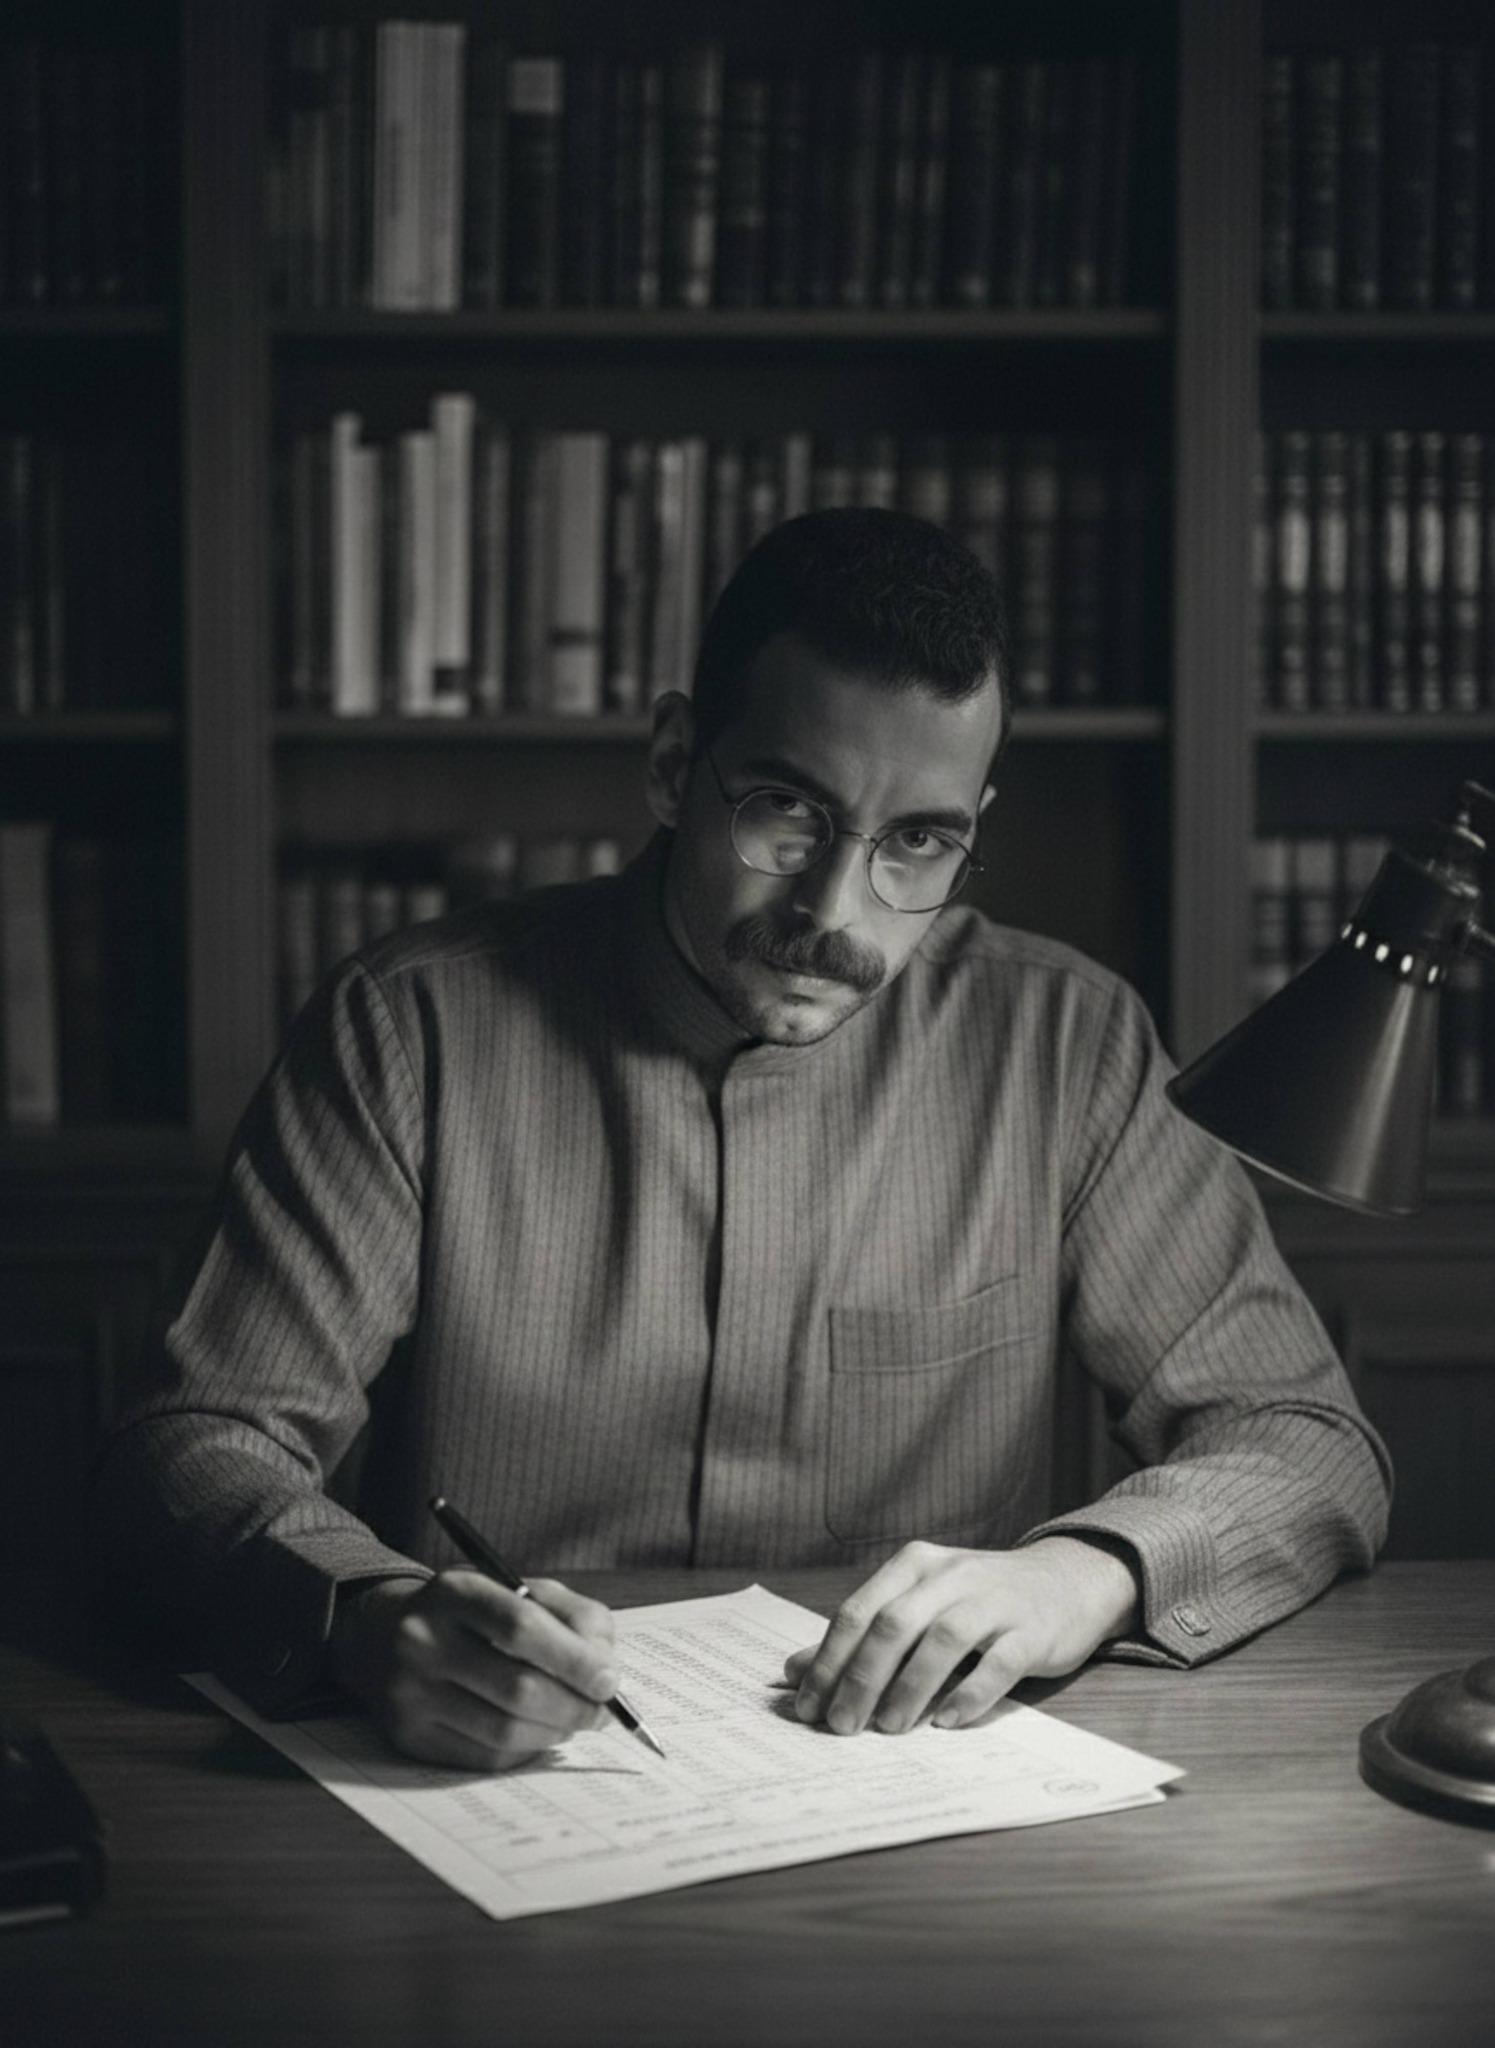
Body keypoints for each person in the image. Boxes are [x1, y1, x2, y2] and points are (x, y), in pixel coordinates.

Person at [89, 508, 1390, 1771]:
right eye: (786, 810)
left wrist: (1087, 1571)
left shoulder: (1068, 1044)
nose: (835, 910)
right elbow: (195, 1441)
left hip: (917, 1808)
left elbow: (1302, 1431)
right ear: (671, 763)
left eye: (920, 843)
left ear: (972, 827)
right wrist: (368, 1615)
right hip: (504, 1807)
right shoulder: (409, 1030)